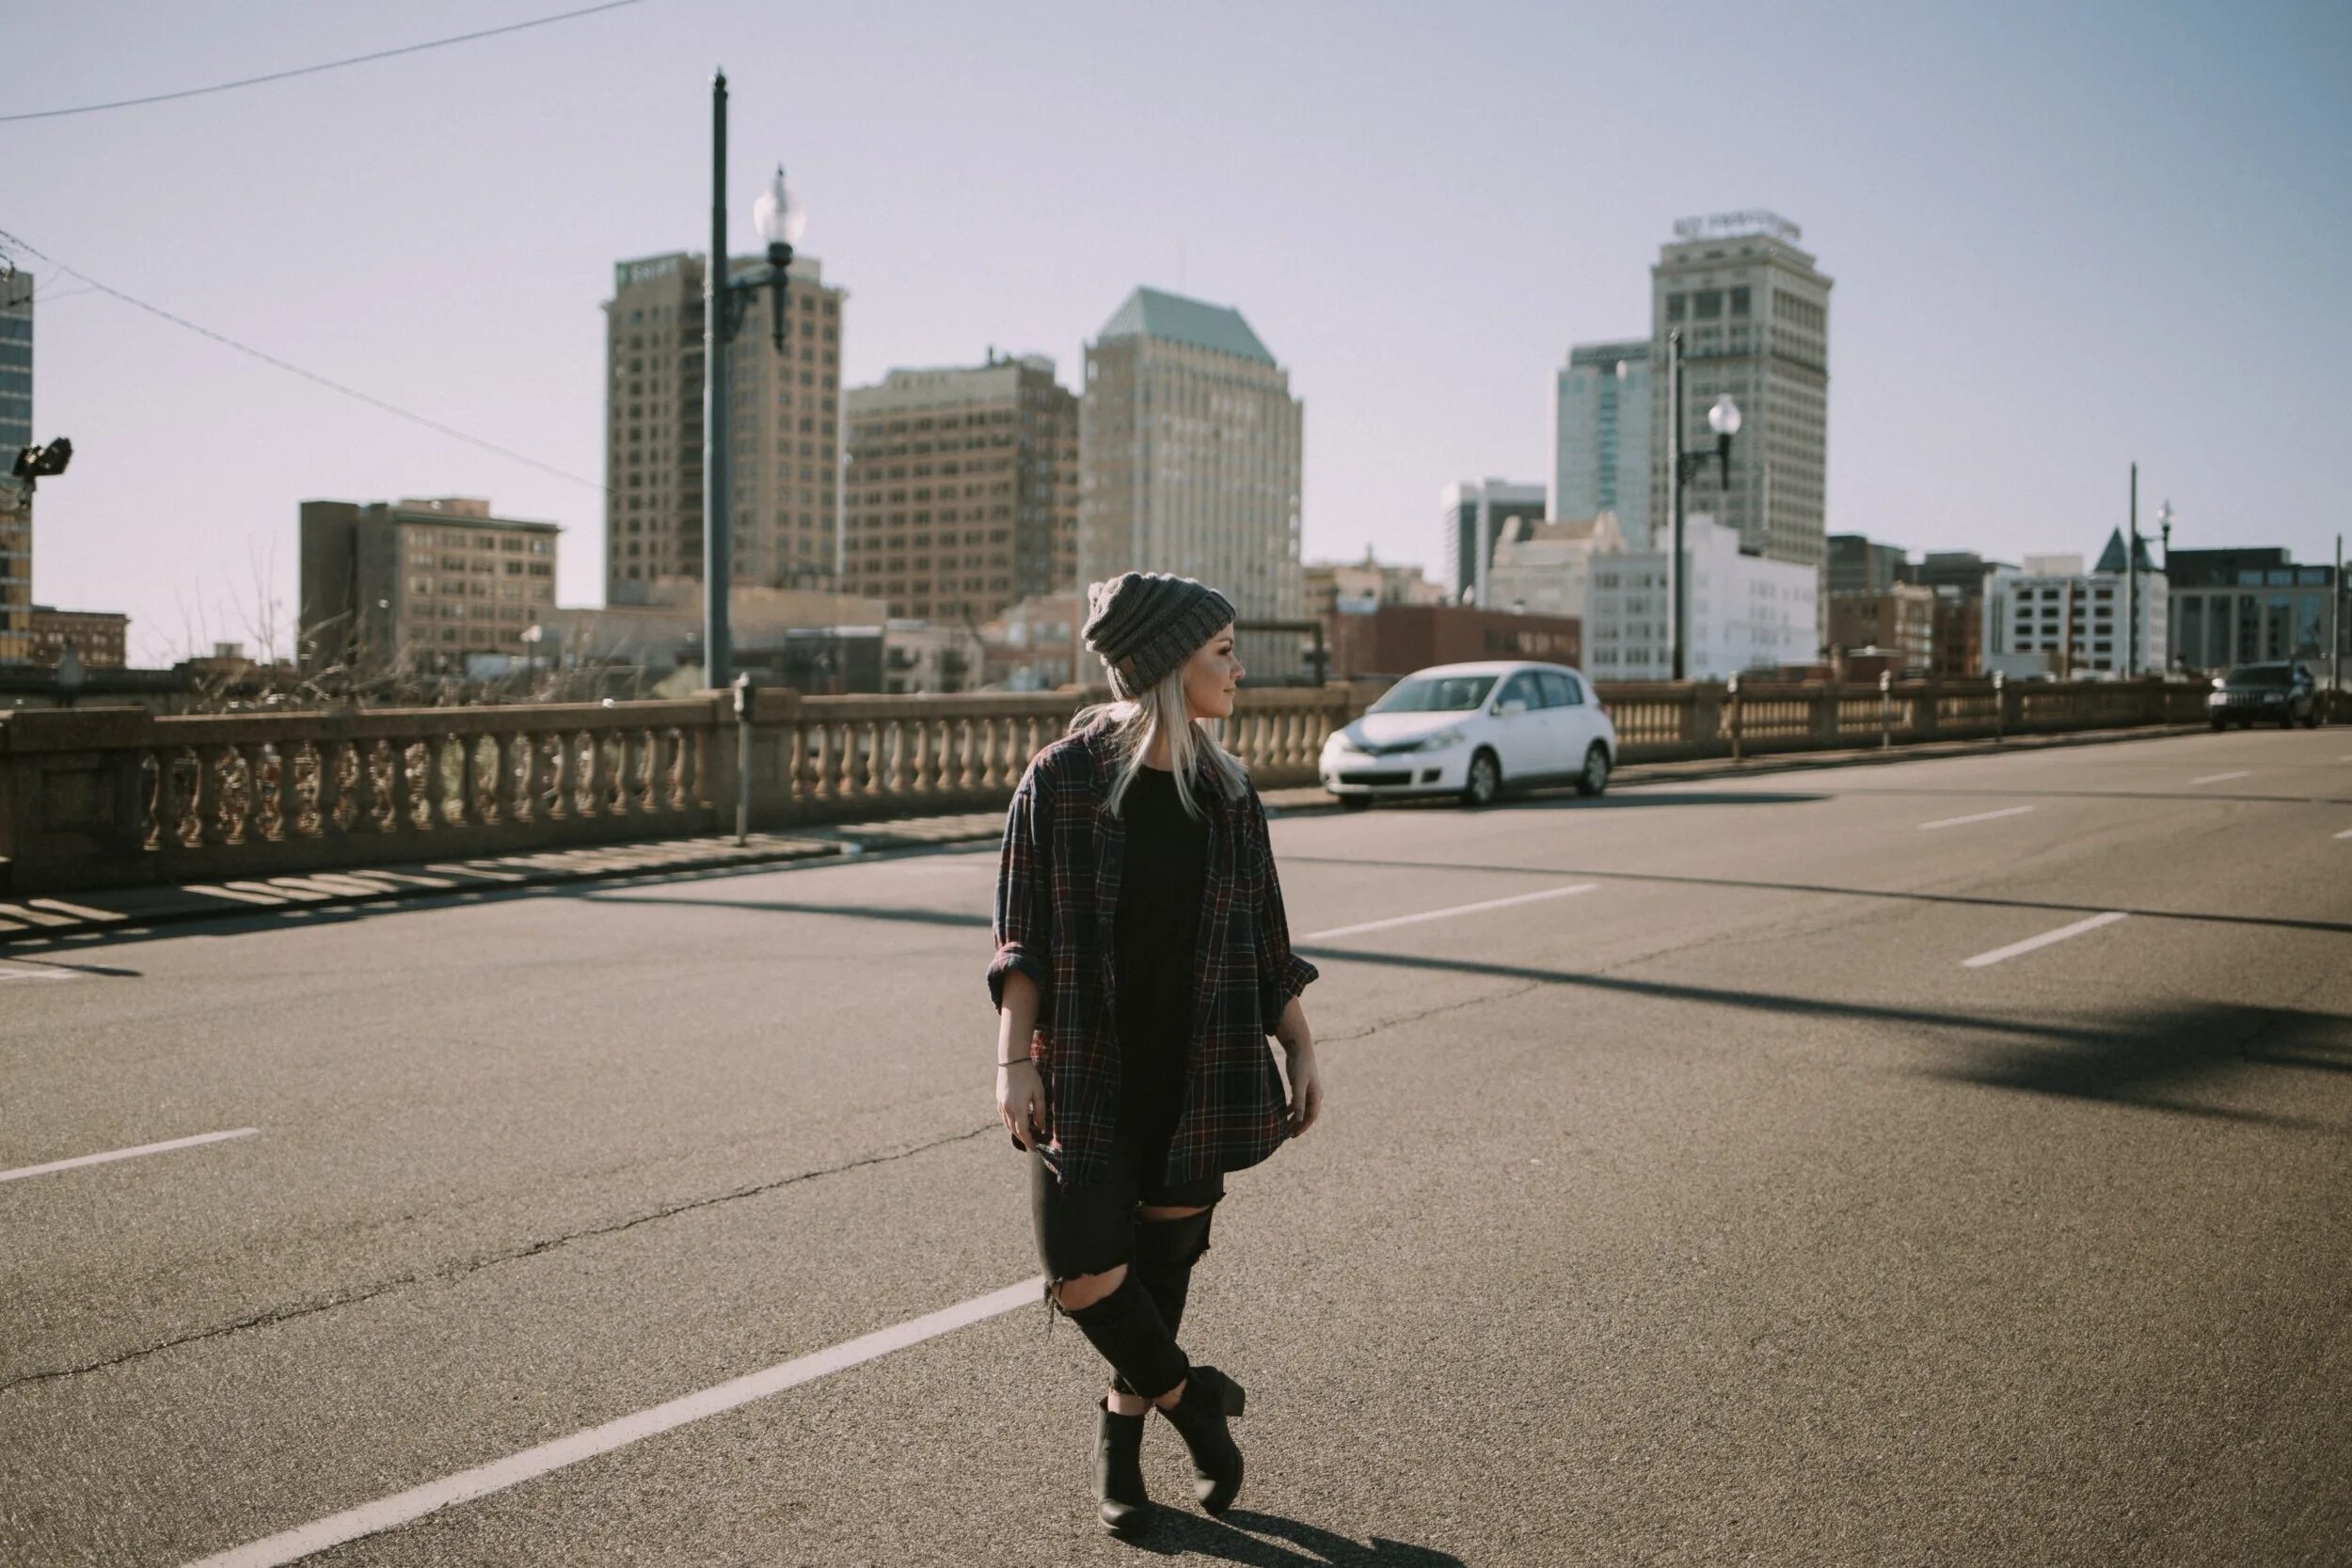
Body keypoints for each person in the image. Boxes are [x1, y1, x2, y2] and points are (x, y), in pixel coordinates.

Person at [987, 571, 1326, 1536]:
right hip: (1090, 1070)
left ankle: (1122, 1446)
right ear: (1170, 662)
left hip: (1199, 1068)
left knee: (1161, 1274)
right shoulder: (1062, 778)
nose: (1238, 667)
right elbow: (1023, 941)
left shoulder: (1226, 788)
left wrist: (1298, 1044)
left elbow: (1267, 937)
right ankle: (1195, 1402)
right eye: (1221, 650)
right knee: (1081, 1273)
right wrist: (1015, 1061)